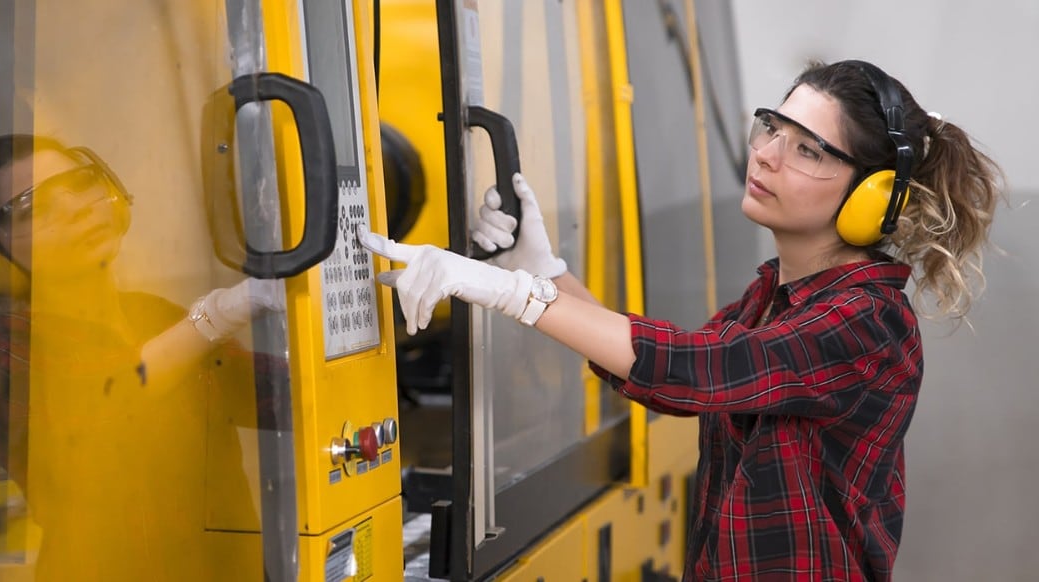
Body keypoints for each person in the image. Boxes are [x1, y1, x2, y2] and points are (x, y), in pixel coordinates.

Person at [359, 59, 1003, 580]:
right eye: (772, 127)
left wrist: (513, 292)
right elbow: (669, 371)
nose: (768, 155)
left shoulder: (867, 319)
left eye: (808, 149)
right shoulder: (772, 299)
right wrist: (545, 268)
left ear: (872, 195)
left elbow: (698, 372)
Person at [0, 134, 279, 579]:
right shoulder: (3, 362)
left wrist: (374, 314)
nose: (76, 209)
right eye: (34, 208)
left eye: (81, 184)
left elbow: (279, 396)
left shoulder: (157, 317)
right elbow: (102, 412)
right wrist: (212, 318)